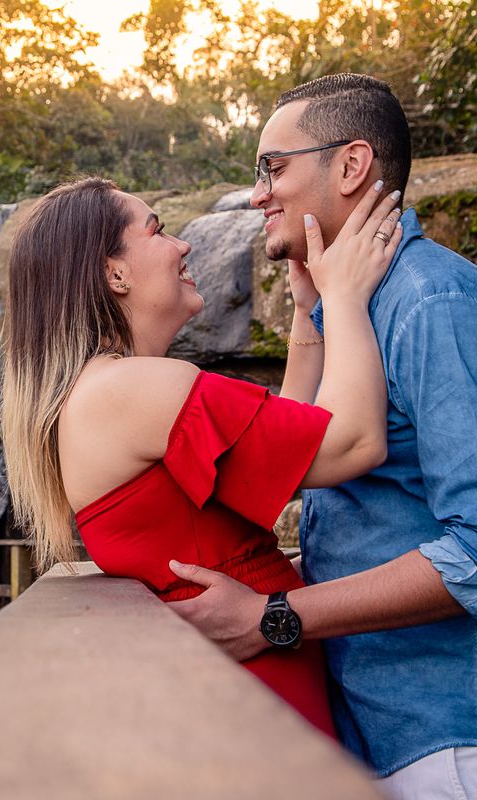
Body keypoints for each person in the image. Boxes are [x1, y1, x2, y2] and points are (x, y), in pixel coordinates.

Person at [0, 173, 401, 735]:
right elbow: (353, 443)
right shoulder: (135, 389)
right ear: (114, 273)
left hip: (239, 694)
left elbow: (285, 445)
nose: (183, 245)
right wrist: (345, 299)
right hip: (260, 703)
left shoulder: (101, 393)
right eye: (158, 231)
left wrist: (307, 309)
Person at [168, 73, 477, 799]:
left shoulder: (430, 301)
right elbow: (355, 496)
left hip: (443, 739)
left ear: (350, 166)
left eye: (273, 168)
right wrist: (315, 313)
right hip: (362, 726)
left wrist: (273, 617)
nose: (257, 195)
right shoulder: (351, 305)